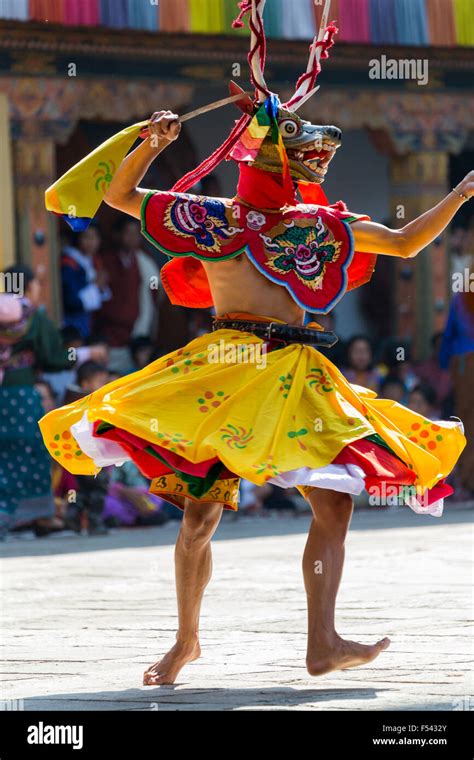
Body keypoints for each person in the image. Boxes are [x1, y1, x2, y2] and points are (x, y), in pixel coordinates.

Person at [39, 2, 469, 685]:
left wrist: (463, 191)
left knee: (334, 500)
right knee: (200, 514)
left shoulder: (318, 225)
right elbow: (120, 196)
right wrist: (150, 143)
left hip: (295, 367)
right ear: (274, 159)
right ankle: (185, 642)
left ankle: (322, 640)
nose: (313, 172)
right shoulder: (209, 216)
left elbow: (408, 239)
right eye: (304, 159)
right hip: (227, 363)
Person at [0, 266, 106, 539]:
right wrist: (84, 353)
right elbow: (55, 358)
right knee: (32, 453)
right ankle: (33, 518)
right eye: (37, 284)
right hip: (21, 395)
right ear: (29, 287)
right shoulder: (34, 318)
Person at [95, 218, 159, 373]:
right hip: (109, 332)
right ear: (117, 235)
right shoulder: (105, 261)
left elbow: (154, 291)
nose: (132, 238)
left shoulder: (143, 262)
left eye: (135, 234)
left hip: (134, 331)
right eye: (128, 233)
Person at [439, 291, 474, 492]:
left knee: (467, 424)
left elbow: (449, 335)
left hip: (465, 363)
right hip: (465, 361)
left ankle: (468, 481)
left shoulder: (462, 298)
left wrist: (444, 366)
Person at [61, 223, 111, 339]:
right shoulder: (69, 263)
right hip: (72, 321)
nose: (91, 242)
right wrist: (96, 285)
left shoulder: (92, 261)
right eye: (86, 237)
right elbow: (71, 300)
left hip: (87, 320)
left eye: (94, 237)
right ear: (77, 238)